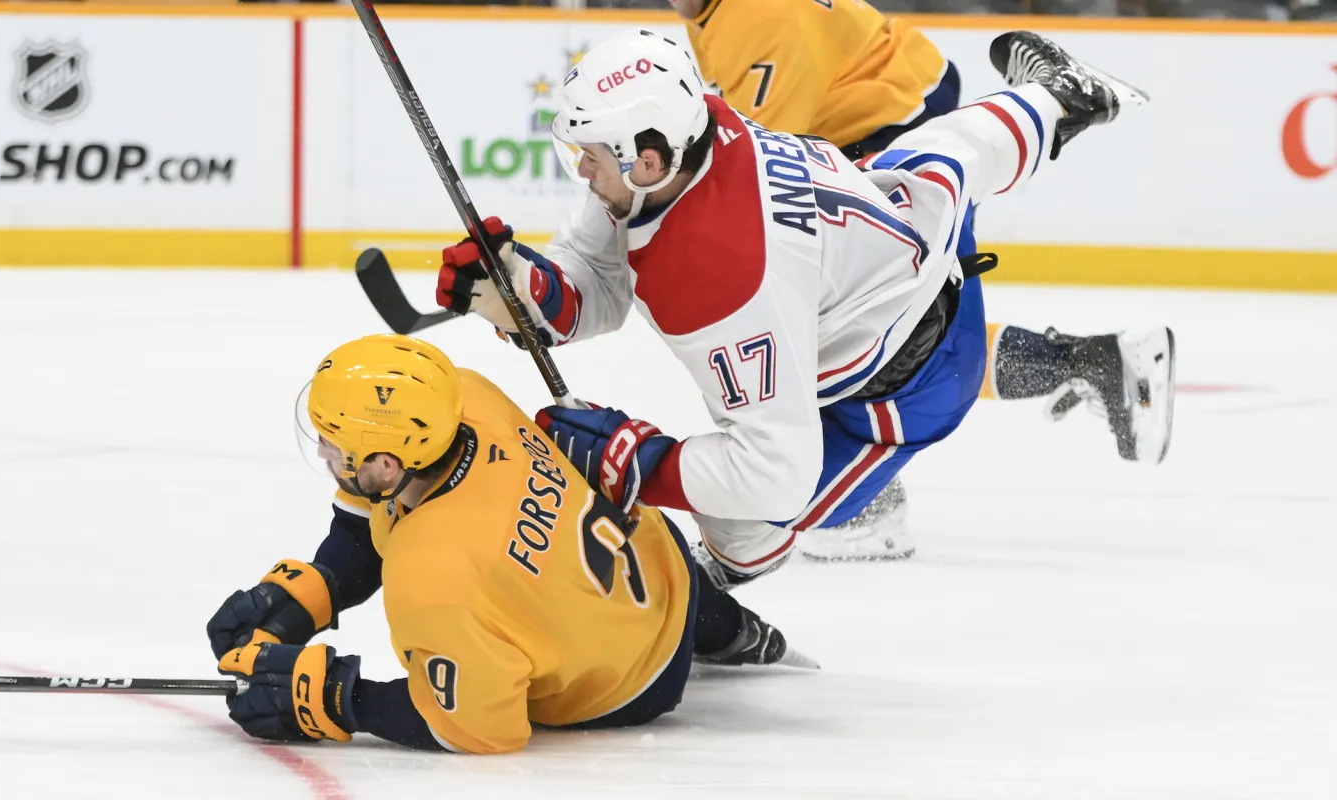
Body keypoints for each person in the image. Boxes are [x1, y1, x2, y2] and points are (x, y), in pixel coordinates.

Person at [432, 30, 1165, 587]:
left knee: (748, 523)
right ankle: (1058, 98)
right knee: (949, 153)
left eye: (589, 153)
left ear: (651, 160)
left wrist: (635, 460)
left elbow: (774, 472)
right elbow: (597, 268)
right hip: (897, 212)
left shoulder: (716, 276)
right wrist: (531, 290)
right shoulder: (698, 124)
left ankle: (712, 594)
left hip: (899, 389)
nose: (581, 169)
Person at [206, 333, 810, 755]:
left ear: (387, 464)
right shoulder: (465, 397)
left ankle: (733, 634)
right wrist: (319, 588)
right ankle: (738, 633)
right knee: (680, 600)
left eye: (334, 444)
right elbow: (371, 514)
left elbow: (477, 729)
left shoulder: (433, 573)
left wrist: (339, 697)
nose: (322, 452)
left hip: (625, 686)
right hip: (663, 565)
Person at [670, 0, 1177, 477]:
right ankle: (1092, 361)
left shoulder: (755, 20)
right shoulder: (721, 13)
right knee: (895, 331)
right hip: (890, 114)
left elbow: (758, 171)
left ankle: (1100, 361)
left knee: (908, 335)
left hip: (888, 131)